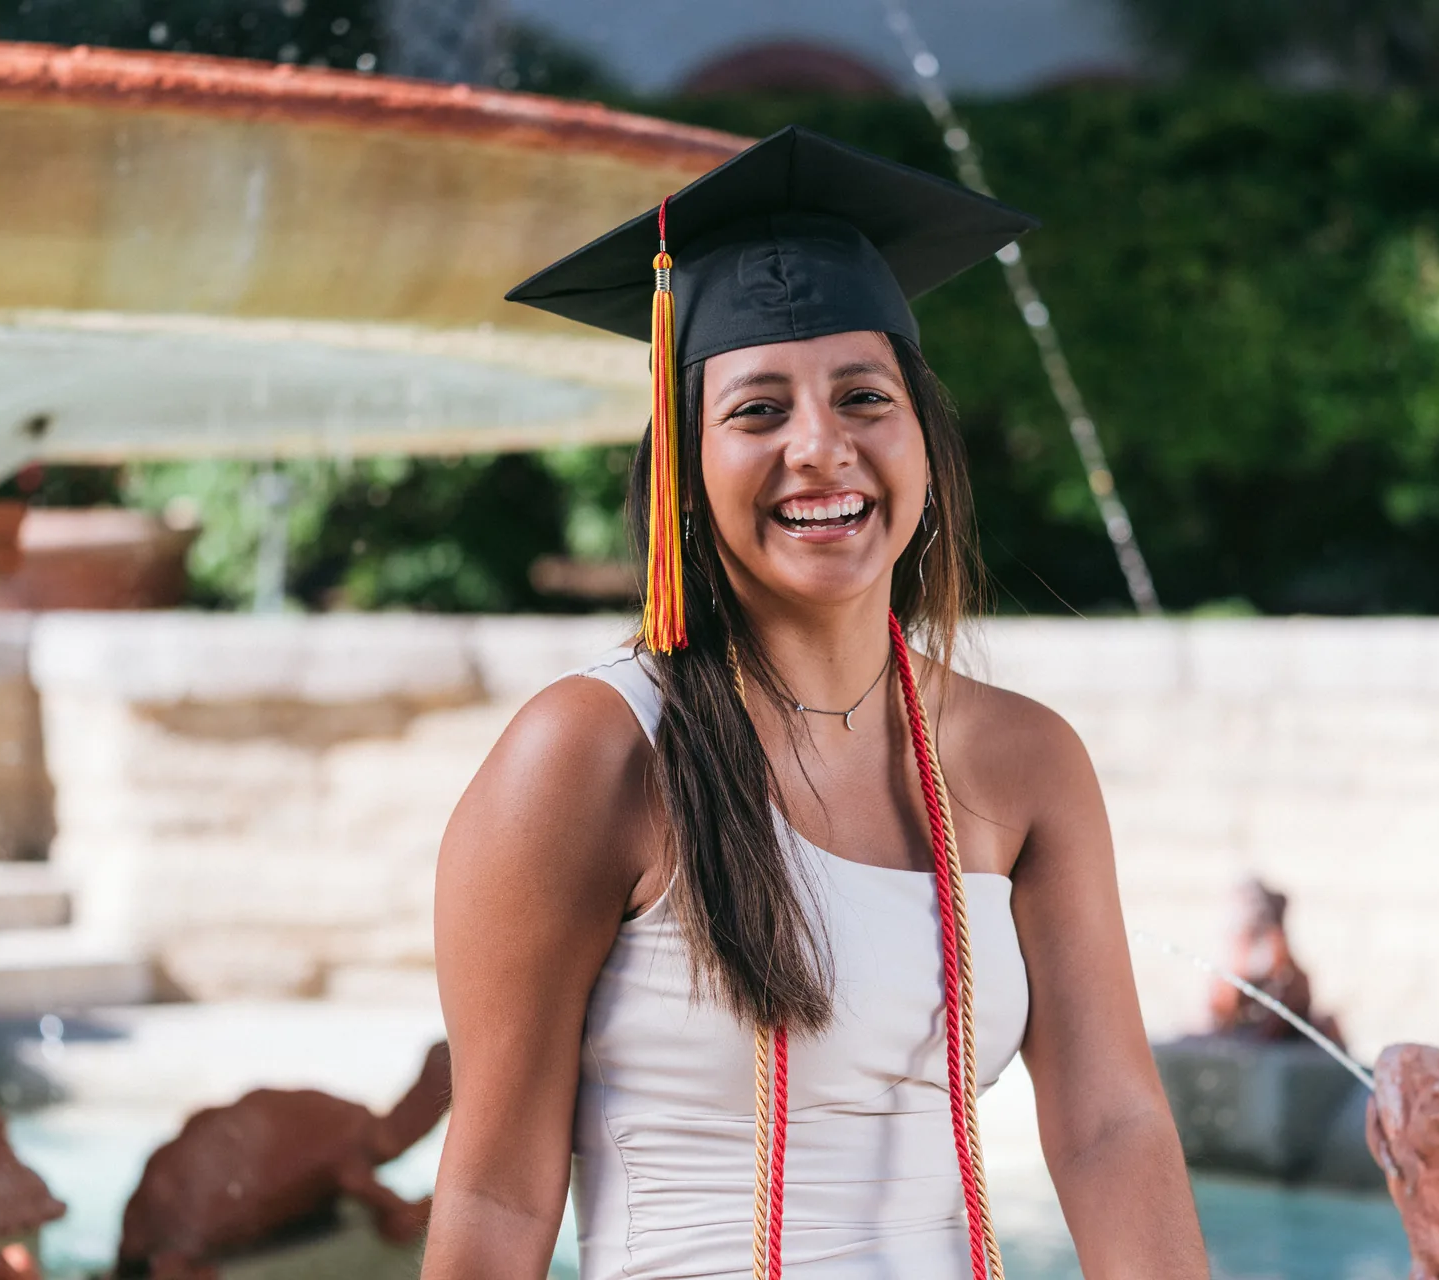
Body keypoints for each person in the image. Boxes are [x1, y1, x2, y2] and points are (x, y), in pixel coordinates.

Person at [424, 126, 1207, 1279]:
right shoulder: (591, 754)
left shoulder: (1022, 760)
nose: (820, 448)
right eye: (756, 411)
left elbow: (1110, 1126)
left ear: (926, 439)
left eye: (862, 396)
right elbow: (496, 1192)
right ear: (686, 464)